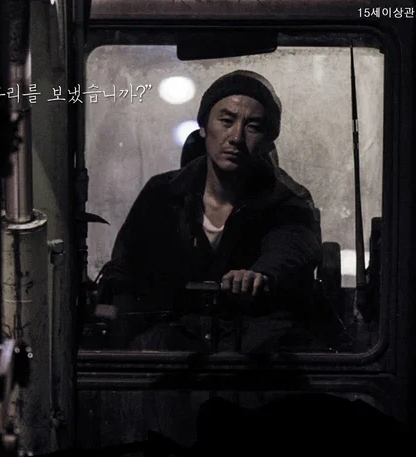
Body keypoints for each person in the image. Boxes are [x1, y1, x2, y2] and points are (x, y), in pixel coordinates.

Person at [96, 70, 323, 352]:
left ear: (267, 140)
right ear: (203, 127)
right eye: (226, 121)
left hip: (249, 348)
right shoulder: (162, 193)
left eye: (253, 126)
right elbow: (126, 268)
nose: (236, 137)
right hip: (172, 346)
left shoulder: (287, 200)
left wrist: (259, 276)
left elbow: (293, 244)